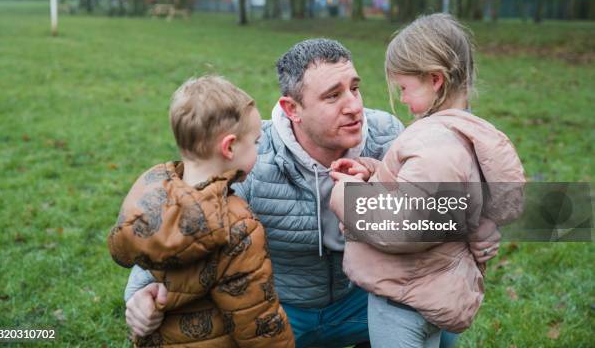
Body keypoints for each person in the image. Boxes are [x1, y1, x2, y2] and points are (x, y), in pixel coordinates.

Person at [123, 39, 502, 348]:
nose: (354, 106)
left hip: (363, 299)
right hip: (282, 311)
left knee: (438, 308)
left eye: (354, 87)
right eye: (333, 96)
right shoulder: (252, 154)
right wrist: (138, 295)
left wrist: (478, 223)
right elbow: (183, 219)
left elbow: (435, 197)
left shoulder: (388, 134)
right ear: (293, 109)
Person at [329, 13, 525, 347]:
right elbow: (436, 200)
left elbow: (406, 226)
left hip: (404, 299)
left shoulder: (433, 144)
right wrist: (377, 173)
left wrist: (346, 193)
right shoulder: (465, 133)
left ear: (435, 79)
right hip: (434, 292)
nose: (402, 99)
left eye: (404, 88)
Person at [108, 76, 294, 347]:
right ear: (229, 147)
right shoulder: (237, 224)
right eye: (255, 142)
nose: (258, 149)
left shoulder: (150, 191)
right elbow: (257, 320)